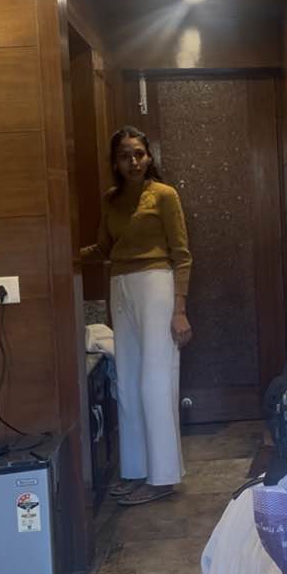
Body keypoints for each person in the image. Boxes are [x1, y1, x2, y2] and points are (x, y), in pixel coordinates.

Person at [80, 126, 192, 506]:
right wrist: (64, 255)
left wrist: (180, 310)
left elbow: (182, 255)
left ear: (149, 156)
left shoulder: (164, 195)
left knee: (154, 380)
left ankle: (163, 476)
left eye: (139, 154)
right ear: (115, 161)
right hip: (120, 286)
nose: (133, 161)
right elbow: (104, 248)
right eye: (125, 155)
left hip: (156, 285)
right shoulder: (110, 200)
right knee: (126, 381)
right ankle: (136, 470)